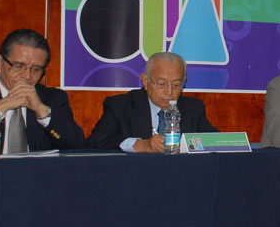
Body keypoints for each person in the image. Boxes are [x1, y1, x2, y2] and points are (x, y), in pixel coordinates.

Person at [86, 51, 218, 152]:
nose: (169, 91)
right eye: (161, 84)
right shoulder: (121, 106)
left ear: (184, 82)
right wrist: (140, 145)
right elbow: (94, 143)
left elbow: (216, 142)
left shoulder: (193, 109)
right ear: (145, 81)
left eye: (176, 85)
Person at [0, 28, 85, 153]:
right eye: (19, 66)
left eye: (36, 69)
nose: (27, 76)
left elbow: (78, 146)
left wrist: (41, 111)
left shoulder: (53, 99)